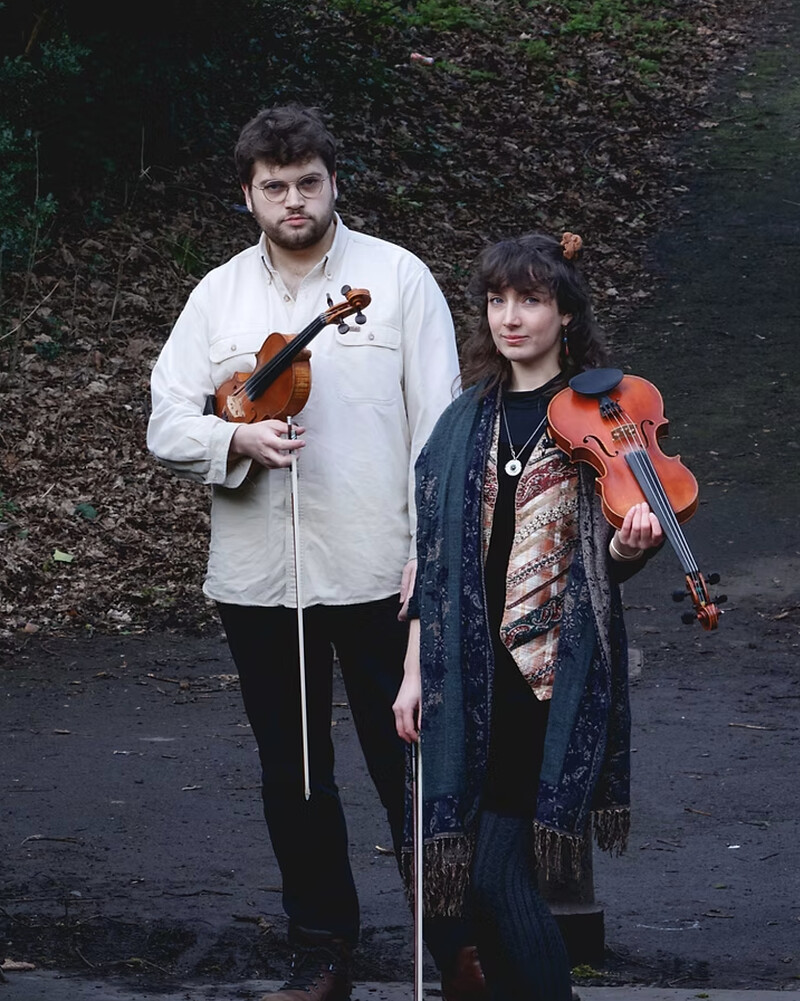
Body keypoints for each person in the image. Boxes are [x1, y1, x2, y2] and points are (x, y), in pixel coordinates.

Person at [147, 103, 459, 1001]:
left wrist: (432, 555)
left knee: (411, 765)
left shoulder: (396, 278)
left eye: (308, 183)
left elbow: (440, 430)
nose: (294, 200)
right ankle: (323, 953)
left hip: (380, 568)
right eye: (274, 186)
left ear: (333, 183)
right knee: (296, 773)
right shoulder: (217, 295)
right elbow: (166, 420)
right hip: (260, 578)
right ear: (248, 195)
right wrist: (233, 440)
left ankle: (457, 949)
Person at [392, 231, 663, 1001]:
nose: (511, 316)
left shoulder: (601, 419)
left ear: (565, 314)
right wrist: (413, 671)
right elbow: (431, 564)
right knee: (479, 886)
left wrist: (627, 546)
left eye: (532, 300)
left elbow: (609, 554)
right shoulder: (460, 423)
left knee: (493, 872)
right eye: (498, 300)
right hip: (462, 677)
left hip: (545, 681)